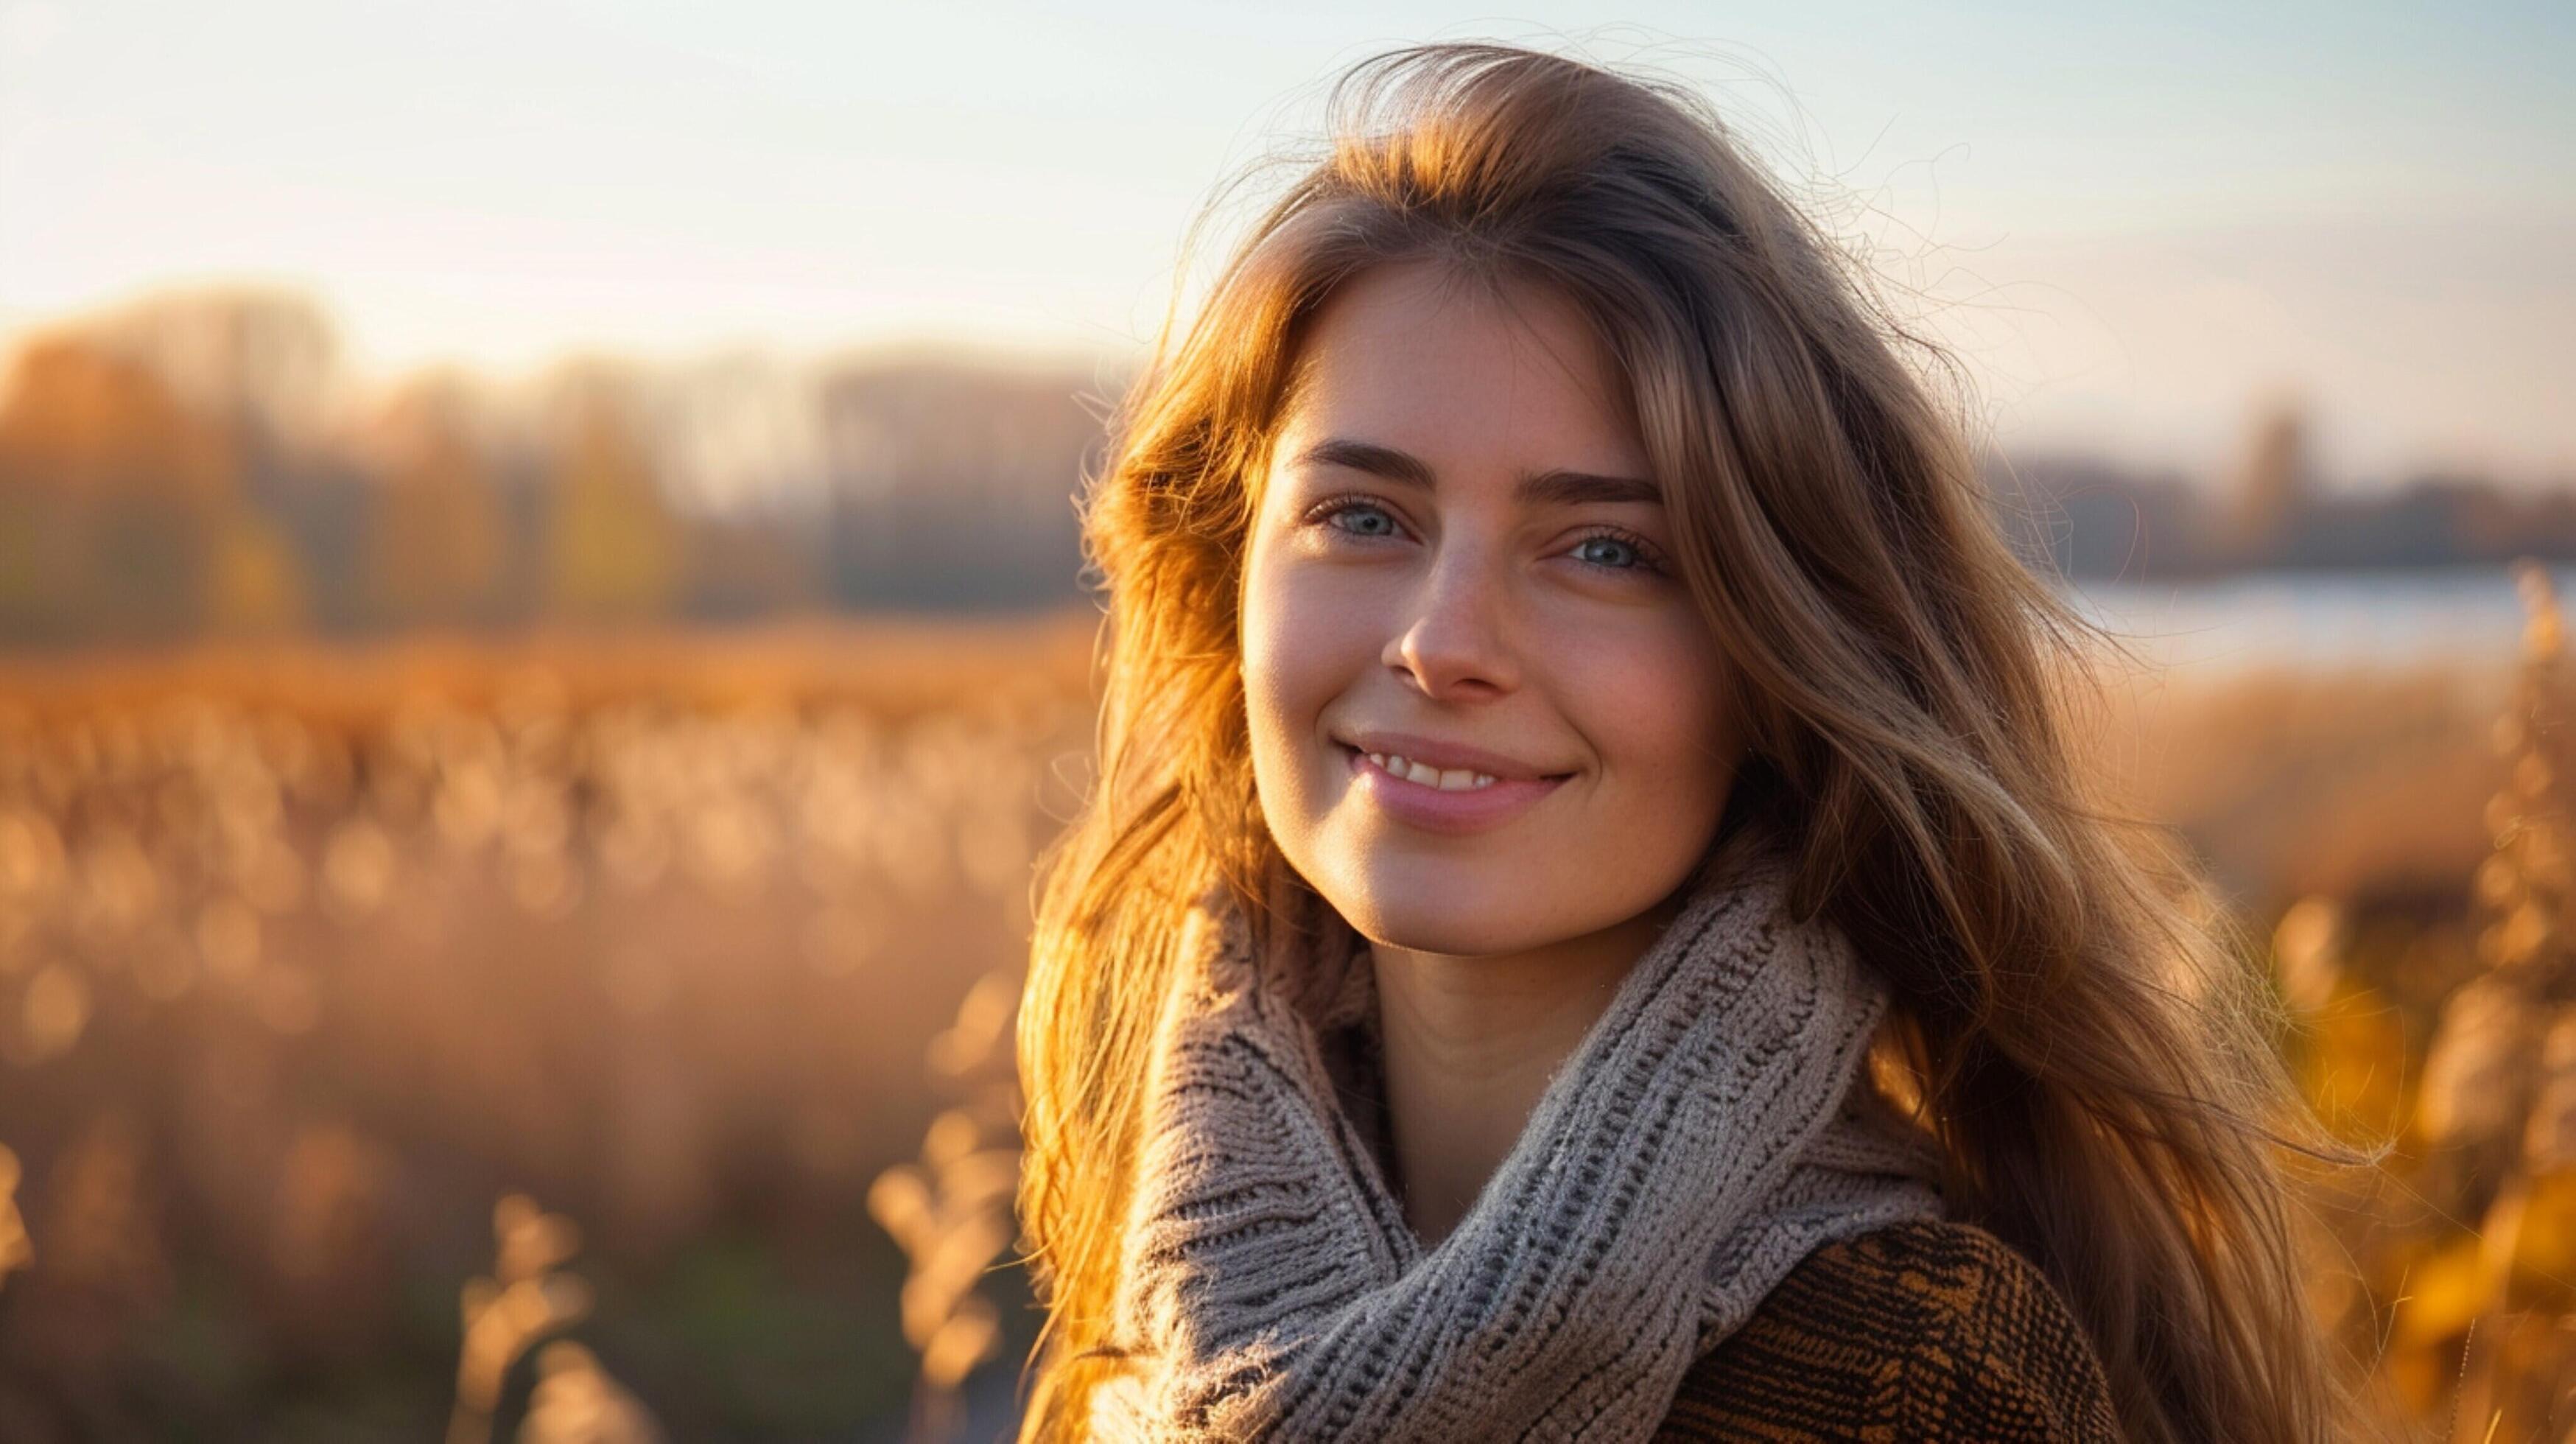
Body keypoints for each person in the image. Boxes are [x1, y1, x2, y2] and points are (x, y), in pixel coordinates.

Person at [1011, 40, 2364, 1443]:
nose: (1440, 639)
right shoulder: (1152, 1307)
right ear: (1228, 572)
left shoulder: (1912, 1378)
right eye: (1363, 517)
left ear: (1774, 655)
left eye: (1603, 548)